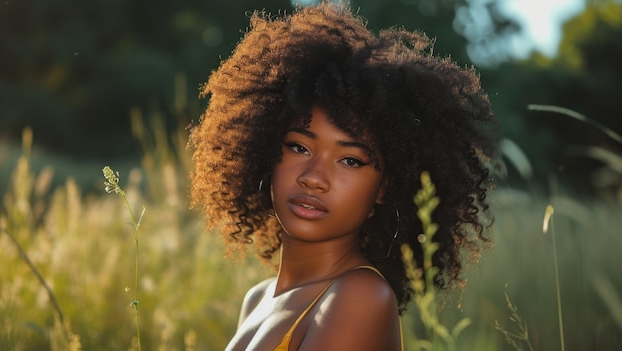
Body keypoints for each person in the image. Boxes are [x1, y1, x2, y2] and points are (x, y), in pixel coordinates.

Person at [188, 2, 499, 350]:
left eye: (350, 160)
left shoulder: (358, 296)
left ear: (386, 188)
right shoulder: (256, 300)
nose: (314, 177)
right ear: (264, 150)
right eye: (299, 147)